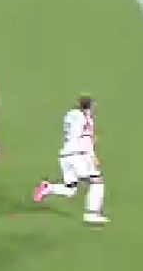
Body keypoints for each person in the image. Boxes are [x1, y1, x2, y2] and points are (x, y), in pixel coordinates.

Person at [33, 96, 109, 224]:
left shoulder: (69, 115)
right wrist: (92, 156)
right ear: (88, 108)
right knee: (97, 182)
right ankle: (92, 214)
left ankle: (48, 187)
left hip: (65, 156)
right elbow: (85, 140)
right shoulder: (86, 119)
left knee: (70, 189)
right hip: (78, 156)